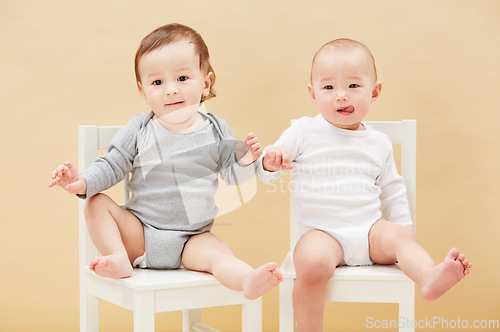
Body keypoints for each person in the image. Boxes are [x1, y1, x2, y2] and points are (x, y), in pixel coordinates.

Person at [49, 23, 282, 300]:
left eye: (182, 78)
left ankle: (246, 279)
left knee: (220, 253)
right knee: (96, 202)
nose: (171, 90)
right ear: (143, 90)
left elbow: (232, 179)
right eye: (157, 82)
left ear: (205, 82)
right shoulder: (140, 127)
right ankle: (117, 256)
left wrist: (244, 161)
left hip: (192, 240)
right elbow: (113, 164)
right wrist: (82, 181)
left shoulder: (217, 129)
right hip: (141, 234)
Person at [257, 38, 471, 331]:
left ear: (375, 92)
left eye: (353, 86)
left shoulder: (379, 143)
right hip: (324, 233)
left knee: (401, 237)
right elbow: (267, 169)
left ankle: (429, 276)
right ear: (313, 93)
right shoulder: (303, 131)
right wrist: (271, 161)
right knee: (310, 260)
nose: (341, 96)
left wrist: (402, 232)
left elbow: (393, 190)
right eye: (329, 87)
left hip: (370, 232)